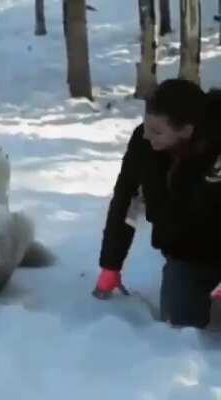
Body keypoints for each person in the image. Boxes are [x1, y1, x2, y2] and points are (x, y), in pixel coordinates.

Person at [93, 78, 221, 329]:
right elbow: (125, 200)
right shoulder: (144, 144)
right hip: (186, 252)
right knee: (180, 323)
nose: (146, 135)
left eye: (157, 131)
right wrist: (111, 264)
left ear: (186, 129)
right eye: (146, 126)